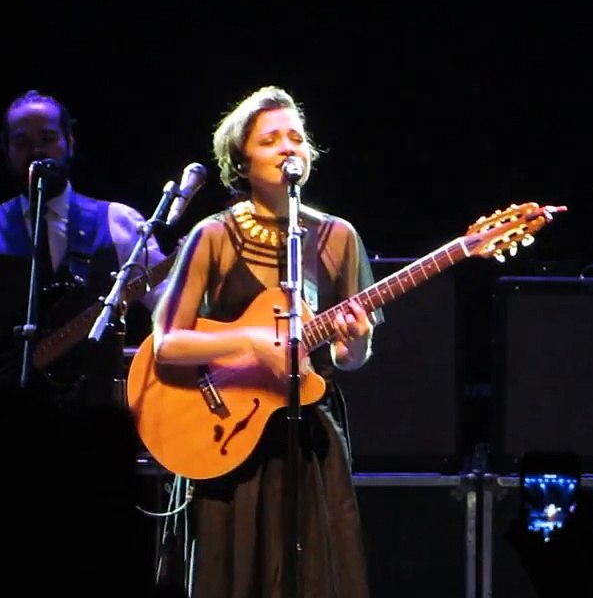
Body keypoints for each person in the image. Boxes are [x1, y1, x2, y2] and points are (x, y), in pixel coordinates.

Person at [150, 85, 379, 597]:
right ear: (242, 158)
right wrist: (252, 343)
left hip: (309, 437)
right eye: (271, 139)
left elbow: (349, 358)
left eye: (296, 137)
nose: (288, 147)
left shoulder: (337, 236)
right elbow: (165, 343)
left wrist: (357, 342)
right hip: (226, 433)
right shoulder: (213, 235)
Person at [0, 88, 168, 403]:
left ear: (69, 142)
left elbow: (168, 307)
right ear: (7, 151)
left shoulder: (118, 221)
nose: (36, 150)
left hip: (94, 423)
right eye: (22, 142)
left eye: (48, 138)